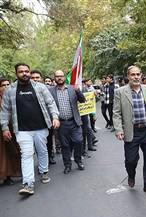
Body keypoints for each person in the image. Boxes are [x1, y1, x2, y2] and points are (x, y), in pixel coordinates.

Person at [0, 63, 60, 195]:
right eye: (21, 72)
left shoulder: (40, 87)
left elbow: (51, 103)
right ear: (16, 73)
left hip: (41, 127)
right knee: (26, 154)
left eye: (27, 71)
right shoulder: (10, 90)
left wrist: (55, 117)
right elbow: (5, 111)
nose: (24, 74)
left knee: (42, 151)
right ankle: (28, 184)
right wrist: (4, 127)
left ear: (30, 72)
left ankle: (44, 171)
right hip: (22, 130)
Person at [113, 65, 146, 195]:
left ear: (141, 75)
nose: (136, 77)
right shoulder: (120, 92)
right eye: (133, 75)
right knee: (131, 160)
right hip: (131, 131)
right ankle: (131, 175)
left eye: (138, 74)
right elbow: (116, 113)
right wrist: (118, 130)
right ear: (128, 76)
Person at [48, 70, 86, 174]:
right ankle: (67, 165)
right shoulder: (50, 91)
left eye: (61, 76)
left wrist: (79, 91)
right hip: (61, 123)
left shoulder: (72, 88)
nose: (59, 78)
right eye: (57, 76)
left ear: (65, 77)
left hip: (74, 121)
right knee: (65, 145)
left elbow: (83, 100)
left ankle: (78, 160)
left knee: (78, 141)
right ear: (54, 78)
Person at [0, 78, 21, 186]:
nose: (6, 87)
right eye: (3, 85)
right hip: (2, 131)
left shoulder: (11, 97)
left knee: (11, 154)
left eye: (8, 84)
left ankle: (8, 176)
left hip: (11, 131)